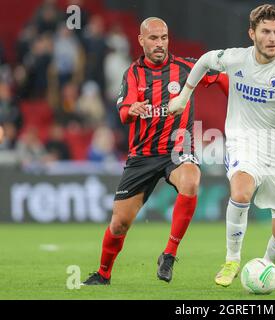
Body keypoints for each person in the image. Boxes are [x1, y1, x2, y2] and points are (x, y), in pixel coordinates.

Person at [169, 4, 275, 289]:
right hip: (244, 140)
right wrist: (185, 95)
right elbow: (204, 61)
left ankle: (266, 267)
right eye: (265, 31)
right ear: (252, 33)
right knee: (241, 190)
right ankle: (232, 259)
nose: (272, 38)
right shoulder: (236, 59)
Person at [82, 17, 227, 285]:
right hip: (143, 156)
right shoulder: (133, 74)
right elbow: (124, 111)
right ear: (141, 40)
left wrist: (241, 104)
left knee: (192, 179)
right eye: (153, 38)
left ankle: (169, 254)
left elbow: (221, 78)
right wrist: (132, 110)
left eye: (164, 38)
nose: (160, 43)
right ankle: (103, 274)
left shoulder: (186, 67)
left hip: (178, 149)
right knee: (119, 224)